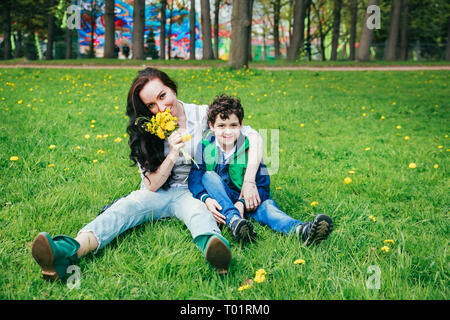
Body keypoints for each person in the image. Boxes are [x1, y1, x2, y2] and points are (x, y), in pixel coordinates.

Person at [31, 68, 264, 280]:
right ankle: (66, 251)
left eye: (163, 96)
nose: (161, 108)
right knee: (121, 211)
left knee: (198, 216)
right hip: (157, 191)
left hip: (193, 191)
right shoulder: (146, 128)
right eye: (152, 105)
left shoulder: (203, 115)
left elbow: (252, 135)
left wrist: (249, 181)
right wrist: (172, 154)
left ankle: (216, 253)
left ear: (172, 87)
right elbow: (151, 186)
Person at [188, 94, 334, 244]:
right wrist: (206, 198)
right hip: (221, 201)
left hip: (248, 203)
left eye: (233, 125)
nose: (228, 131)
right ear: (212, 126)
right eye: (221, 126)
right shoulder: (205, 147)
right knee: (209, 176)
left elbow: (263, 186)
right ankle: (235, 221)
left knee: (269, 208)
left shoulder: (250, 148)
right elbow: (194, 179)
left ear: (241, 125)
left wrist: (242, 203)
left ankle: (302, 230)